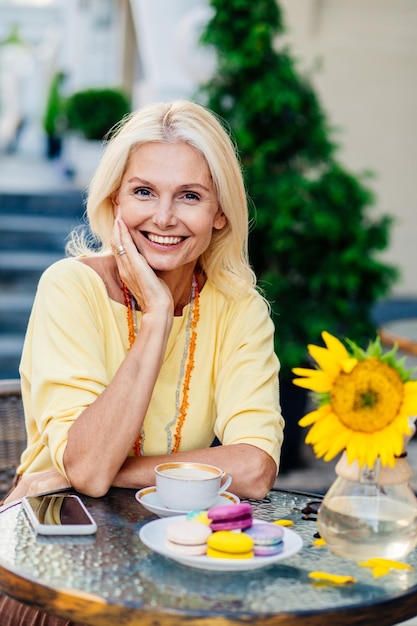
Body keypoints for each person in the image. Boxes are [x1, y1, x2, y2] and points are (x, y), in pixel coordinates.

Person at [0, 100, 283, 624]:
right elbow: (87, 470)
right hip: (53, 553)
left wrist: (111, 472)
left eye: (190, 196)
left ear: (220, 213)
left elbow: (254, 469)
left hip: (181, 552)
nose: (164, 217)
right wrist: (156, 317)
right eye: (144, 191)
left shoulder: (239, 308)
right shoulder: (70, 289)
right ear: (115, 199)